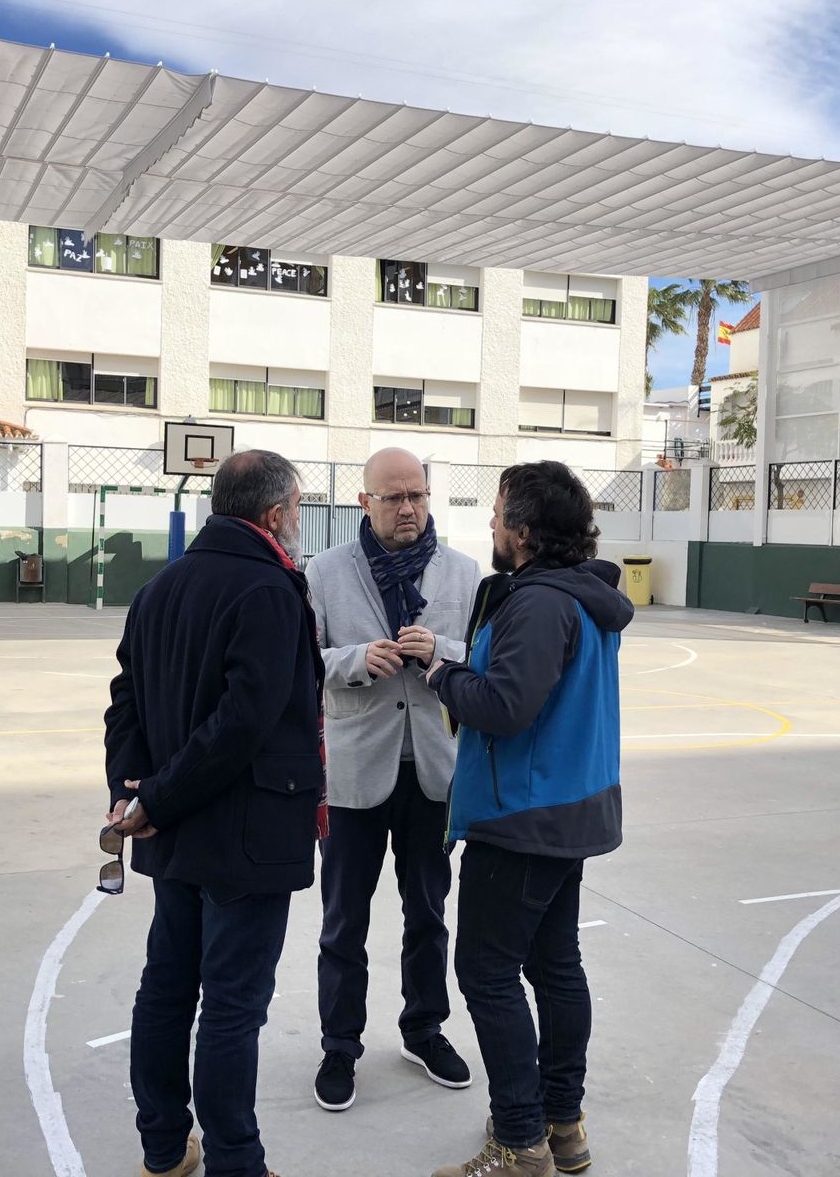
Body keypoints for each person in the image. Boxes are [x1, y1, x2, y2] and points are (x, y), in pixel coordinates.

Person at [104, 449, 323, 1177]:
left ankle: (165, 1149)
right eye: (297, 507)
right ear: (272, 514)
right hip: (244, 837)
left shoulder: (160, 588)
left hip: (174, 829)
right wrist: (152, 797)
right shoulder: (268, 590)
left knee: (167, 989)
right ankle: (236, 1162)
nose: (299, 520)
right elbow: (244, 721)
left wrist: (132, 790)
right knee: (231, 1006)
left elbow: (124, 704)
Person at [424, 461, 633, 1177]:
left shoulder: (540, 603)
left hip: (523, 817)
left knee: (486, 972)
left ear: (524, 528)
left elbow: (507, 708)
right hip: (566, 808)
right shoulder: (578, 596)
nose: (489, 523)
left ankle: (519, 1141)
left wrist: (443, 675)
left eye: (497, 511)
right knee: (553, 965)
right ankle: (560, 1122)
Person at [305, 447, 480, 1112]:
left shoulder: (464, 573)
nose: (408, 508)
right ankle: (339, 1046)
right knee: (343, 918)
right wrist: (354, 659)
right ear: (365, 503)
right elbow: (302, 662)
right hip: (353, 772)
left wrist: (444, 653)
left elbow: (485, 661)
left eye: (418, 496)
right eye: (393, 498)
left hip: (434, 771)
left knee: (429, 912)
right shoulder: (323, 573)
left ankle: (423, 1028)